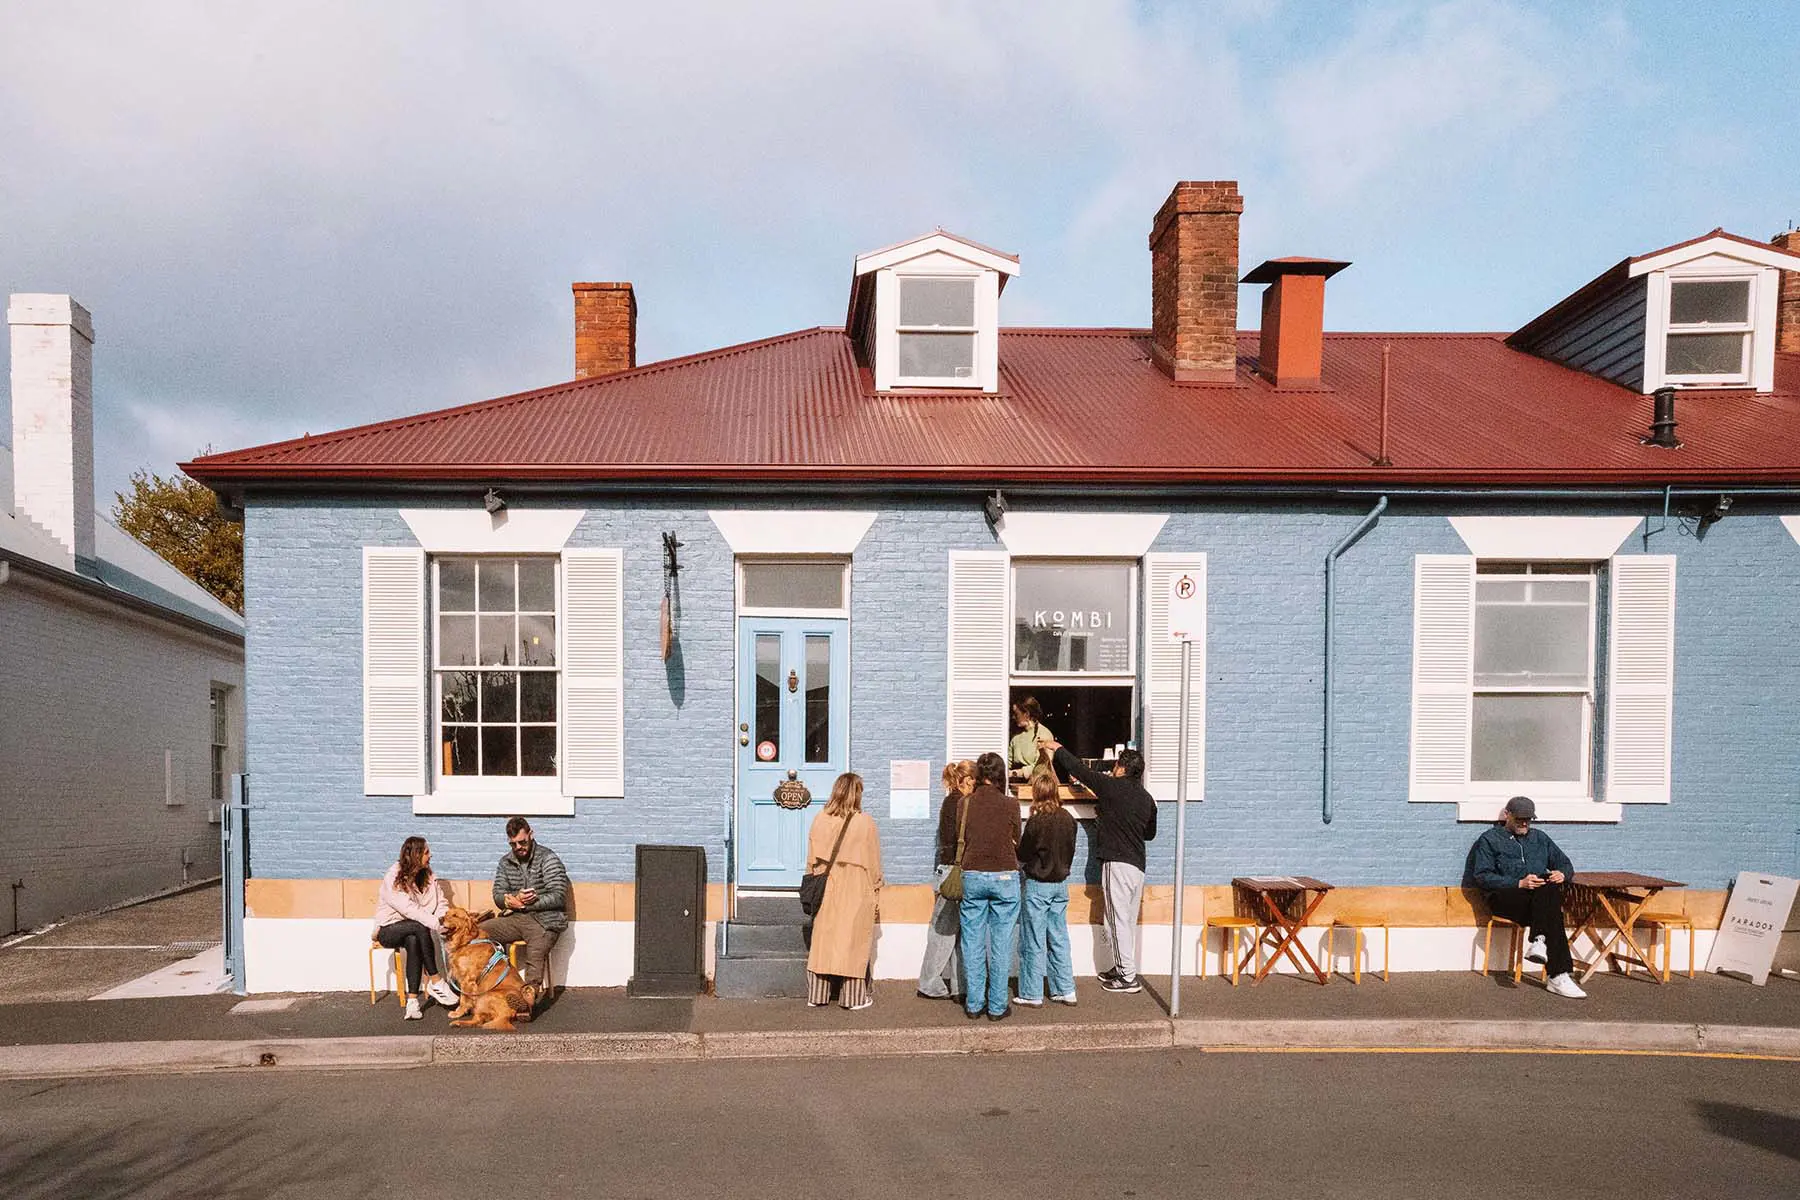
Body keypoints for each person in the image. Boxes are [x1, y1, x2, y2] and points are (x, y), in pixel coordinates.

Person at [1043, 738, 1156, 993]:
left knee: (1116, 921)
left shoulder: (1110, 786)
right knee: (1124, 920)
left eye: (1116, 766)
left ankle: (1128, 977)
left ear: (1121, 768)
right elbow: (1149, 834)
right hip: (1137, 865)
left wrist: (1057, 747)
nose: (1114, 769)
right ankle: (1121, 966)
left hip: (1116, 862)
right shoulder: (1147, 799)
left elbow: (1079, 770)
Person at [1468, 795, 1586, 999]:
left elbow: (1565, 863)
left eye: (1528, 819)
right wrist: (1519, 883)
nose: (1524, 823)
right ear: (1507, 815)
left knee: (1548, 887)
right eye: (1520, 818)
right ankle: (1558, 976)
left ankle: (1540, 941)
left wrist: (1562, 874)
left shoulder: (1540, 838)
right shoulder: (1489, 839)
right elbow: (1482, 876)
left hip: (1537, 901)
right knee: (1552, 912)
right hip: (1505, 898)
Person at [804, 772, 884, 1010]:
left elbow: (811, 857)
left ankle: (817, 995)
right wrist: (877, 888)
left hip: (826, 882)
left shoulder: (820, 818)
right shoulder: (864, 822)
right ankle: (853, 997)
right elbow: (873, 860)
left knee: (823, 939)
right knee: (853, 940)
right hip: (857, 884)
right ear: (856, 794)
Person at [958, 751, 1023, 1020]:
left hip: (972, 873)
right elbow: (1016, 838)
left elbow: (958, 838)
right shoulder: (1011, 804)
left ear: (978, 776)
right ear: (999, 776)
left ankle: (974, 1004)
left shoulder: (965, 803)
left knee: (972, 943)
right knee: (1001, 943)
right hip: (1005, 875)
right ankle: (997, 1006)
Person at [372, 836, 460, 1020]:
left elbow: (440, 902)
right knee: (419, 927)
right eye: (427, 852)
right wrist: (436, 924)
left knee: (414, 939)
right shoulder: (393, 877)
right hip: (388, 930)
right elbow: (410, 910)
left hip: (414, 930)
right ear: (416, 854)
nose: (430, 855)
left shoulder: (428, 876)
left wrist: (443, 918)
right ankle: (436, 980)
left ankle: (412, 1003)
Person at [480, 816, 569, 995]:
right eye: (513, 844)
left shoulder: (548, 858)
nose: (519, 848)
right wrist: (510, 900)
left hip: (545, 920)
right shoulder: (505, 862)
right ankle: (484, 986)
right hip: (515, 918)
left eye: (522, 842)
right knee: (477, 933)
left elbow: (559, 896)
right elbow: (498, 894)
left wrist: (525, 904)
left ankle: (527, 998)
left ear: (531, 834)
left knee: (535, 954)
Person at [1015, 768, 1078, 1007]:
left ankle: (1032, 993)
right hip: (1060, 884)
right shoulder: (1068, 819)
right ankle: (1065, 988)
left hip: (1038, 885)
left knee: (1033, 940)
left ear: (1036, 793)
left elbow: (1023, 853)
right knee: (1059, 937)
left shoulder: (1035, 821)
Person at [917, 759, 972, 1001]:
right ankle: (930, 983)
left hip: (946, 870)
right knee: (945, 931)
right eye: (974, 781)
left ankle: (959, 984)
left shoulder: (950, 801)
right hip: (954, 871)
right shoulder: (960, 803)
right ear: (965, 780)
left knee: (952, 930)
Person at [1008, 697, 1054, 779]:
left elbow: (1042, 766)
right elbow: (1008, 760)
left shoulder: (1044, 734)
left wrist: (1014, 773)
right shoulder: (1016, 737)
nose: (1013, 717)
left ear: (1027, 714)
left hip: (1037, 785)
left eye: (1016, 714)